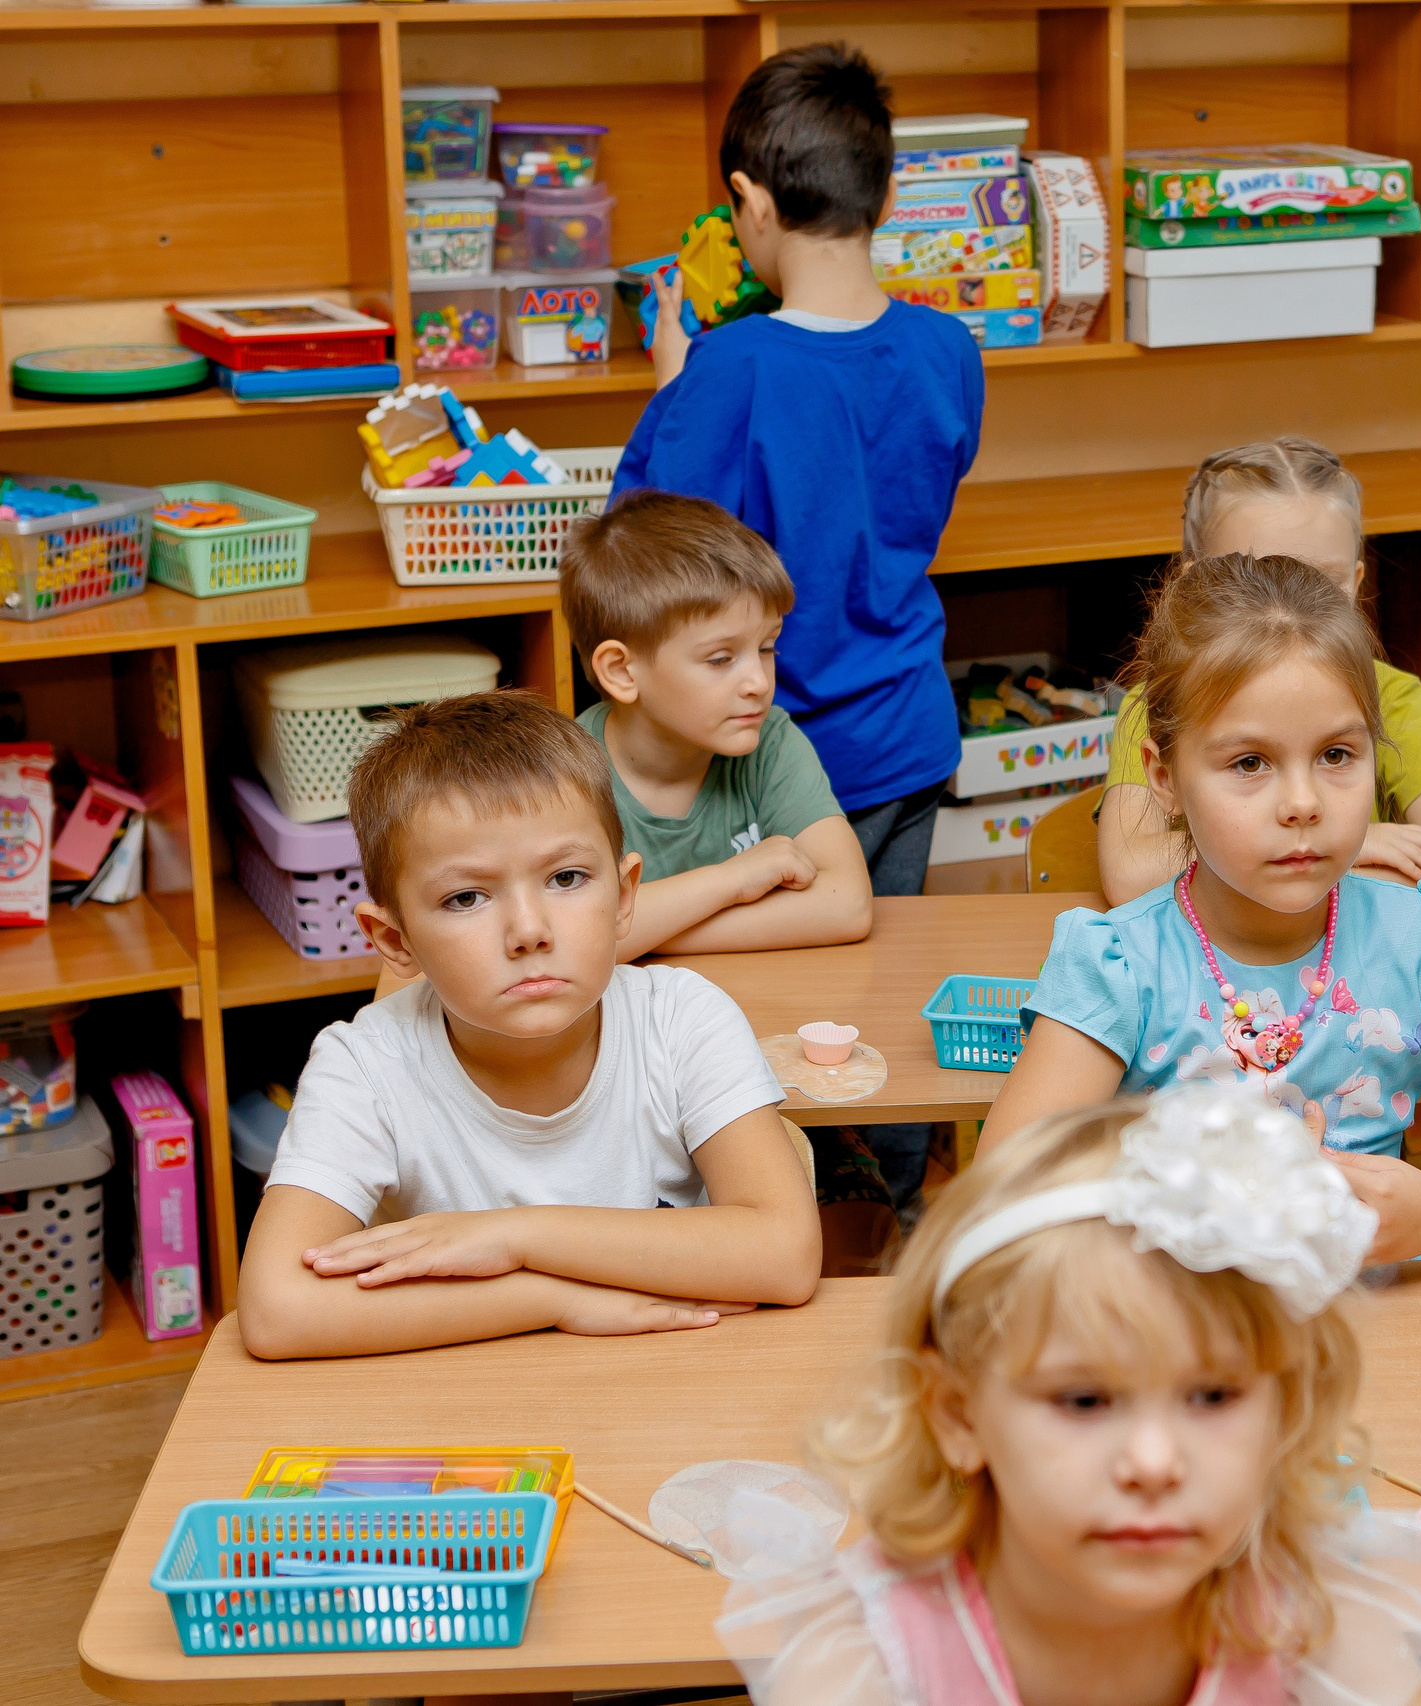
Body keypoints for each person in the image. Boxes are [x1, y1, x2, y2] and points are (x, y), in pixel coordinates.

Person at [715, 1086, 1421, 1706]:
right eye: (1084, 1402)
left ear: (1287, 1407)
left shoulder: (1319, 1624)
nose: (1154, 1463)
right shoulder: (867, 1662)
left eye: (1214, 1395)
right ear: (958, 1414)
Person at [983, 554, 1421, 1262]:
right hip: (1176, 1349)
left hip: (1386, 1337)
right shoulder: (1120, 967)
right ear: (1165, 780)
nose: (1304, 803)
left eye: (1337, 755)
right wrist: (1191, 1200)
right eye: (1250, 763)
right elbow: (1004, 1199)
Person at [235, 691, 820, 1359]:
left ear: (624, 896)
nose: (529, 931)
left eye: (567, 878)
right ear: (393, 940)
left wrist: (512, 1237)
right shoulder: (362, 1065)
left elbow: (786, 1254)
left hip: (671, 1377)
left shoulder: (683, 1018)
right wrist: (555, 1299)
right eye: (466, 897)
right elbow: (276, 1311)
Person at [617, 43, 979, 901]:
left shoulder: (728, 368)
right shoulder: (950, 348)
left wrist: (676, 386)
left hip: (780, 759)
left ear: (748, 199)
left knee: (773, 992)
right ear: (889, 197)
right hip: (910, 734)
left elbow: (645, 548)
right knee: (876, 973)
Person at [1098, 438, 1421, 908]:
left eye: (1320, 584)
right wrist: (1354, 845)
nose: (1287, 604)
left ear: (1355, 584)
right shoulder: (1159, 701)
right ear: (1193, 584)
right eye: (1255, 574)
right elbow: (1127, 874)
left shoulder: (1392, 694)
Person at [562, 490, 873, 958]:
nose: (758, 682)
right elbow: (567, 936)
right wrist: (735, 879)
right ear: (623, 672)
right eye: (720, 658)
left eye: (767, 648)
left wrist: (640, 932)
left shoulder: (770, 739)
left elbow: (847, 904)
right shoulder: (561, 777)